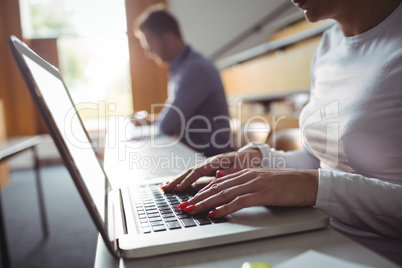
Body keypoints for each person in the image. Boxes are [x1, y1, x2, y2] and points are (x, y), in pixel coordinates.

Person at [162, 0, 402, 264]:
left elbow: (319, 181)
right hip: (314, 235)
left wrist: (313, 186)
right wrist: (259, 159)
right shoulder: (328, 45)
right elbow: (321, 159)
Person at [133, 5, 233, 157]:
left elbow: (167, 125)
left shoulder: (195, 69)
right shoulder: (182, 67)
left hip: (212, 160)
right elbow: (173, 115)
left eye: (149, 44)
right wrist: (151, 120)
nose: (149, 52)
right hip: (197, 156)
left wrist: (155, 123)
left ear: (167, 39)